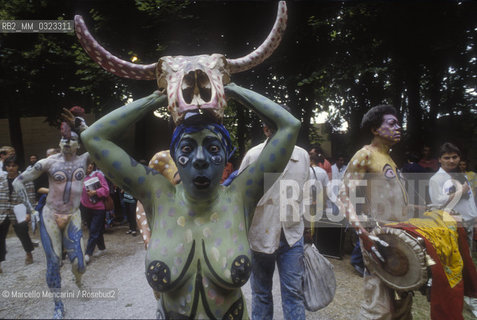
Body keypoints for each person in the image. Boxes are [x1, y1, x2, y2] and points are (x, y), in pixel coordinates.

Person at [68, 82, 300, 318]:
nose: (200, 158)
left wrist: (231, 89)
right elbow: (93, 137)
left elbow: (290, 126)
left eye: (213, 148)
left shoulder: (241, 196)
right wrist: (159, 98)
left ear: (225, 159)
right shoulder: (157, 194)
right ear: (175, 158)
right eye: (187, 148)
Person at [338, 106, 477, 319]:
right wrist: (362, 234)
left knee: (402, 300)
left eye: (398, 123)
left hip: (399, 236)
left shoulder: (389, 159)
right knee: (379, 306)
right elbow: (343, 196)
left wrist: (426, 211)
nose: (398, 127)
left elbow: (392, 200)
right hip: (378, 238)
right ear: (375, 129)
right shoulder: (365, 155)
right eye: (391, 123)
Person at [13, 107, 89, 319]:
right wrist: (31, 210)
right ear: (58, 142)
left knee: (80, 265)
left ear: (78, 143)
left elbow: (100, 143)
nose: (66, 142)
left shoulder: (84, 160)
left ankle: (78, 280)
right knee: (54, 262)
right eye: (63, 139)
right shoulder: (49, 162)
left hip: (73, 214)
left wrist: (82, 125)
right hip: (51, 215)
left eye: (71, 139)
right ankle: (58, 304)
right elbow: (18, 182)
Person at [238, 113, 309, 320]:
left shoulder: (302, 156)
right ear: (266, 129)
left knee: (294, 293)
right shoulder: (253, 156)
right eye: (277, 127)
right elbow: (241, 197)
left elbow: (305, 191)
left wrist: (309, 227)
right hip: (259, 234)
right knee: (261, 293)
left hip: (292, 235)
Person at [429, 143, 477, 251]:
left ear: (459, 158)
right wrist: (460, 192)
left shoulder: (461, 175)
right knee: (456, 259)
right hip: (452, 225)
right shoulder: (436, 179)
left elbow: (469, 199)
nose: (451, 161)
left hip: (469, 221)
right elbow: (437, 202)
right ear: (439, 159)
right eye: (447, 158)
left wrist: (475, 216)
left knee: (468, 257)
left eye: (454, 157)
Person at [0, 155, 36, 272]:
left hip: (19, 209)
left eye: (13, 165)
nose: (11, 168)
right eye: (8, 166)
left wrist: (28, 212)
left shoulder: (25, 178)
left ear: (18, 166)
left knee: (22, 233)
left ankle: (28, 252)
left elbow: (30, 197)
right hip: (3, 210)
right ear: (5, 167)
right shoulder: (1, 178)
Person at [81, 161, 109, 261]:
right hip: (86, 208)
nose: (89, 166)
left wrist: (95, 192)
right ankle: (102, 248)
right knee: (95, 230)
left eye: (91, 164)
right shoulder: (80, 177)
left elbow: (106, 190)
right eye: (87, 164)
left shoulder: (98, 175)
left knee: (93, 230)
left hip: (99, 208)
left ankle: (88, 254)